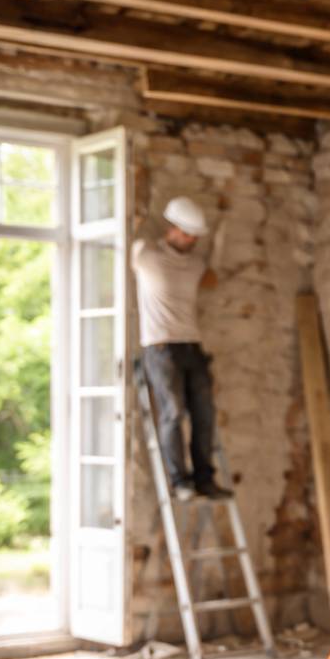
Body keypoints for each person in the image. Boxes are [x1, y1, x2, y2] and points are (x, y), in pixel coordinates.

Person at [134, 195, 231, 502]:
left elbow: (214, 279)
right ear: (171, 229)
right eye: (186, 234)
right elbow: (126, 238)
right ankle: (180, 481)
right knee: (173, 413)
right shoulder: (145, 255)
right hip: (160, 347)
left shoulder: (195, 265)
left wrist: (222, 235)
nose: (190, 241)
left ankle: (205, 479)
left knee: (205, 415)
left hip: (192, 345)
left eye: (194, 236)